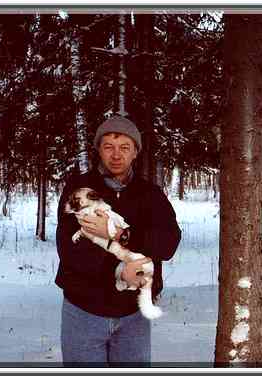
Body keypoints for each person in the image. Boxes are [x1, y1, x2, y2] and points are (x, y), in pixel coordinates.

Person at [55, 115, 181, 367]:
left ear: (136, 152)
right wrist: (120, 273)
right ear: (98, 150)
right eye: (108, 147)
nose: (116, 155)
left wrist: (120, 235)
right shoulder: (79, 189)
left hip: (133, 314)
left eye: (125, 147)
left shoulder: (150, 194)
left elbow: (168, 243)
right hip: (84, 311)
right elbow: (69, 248)